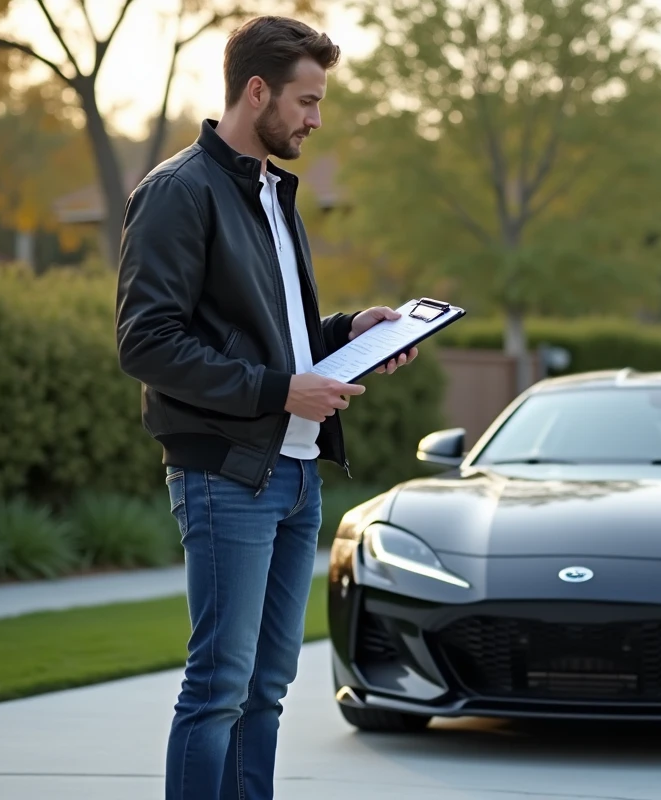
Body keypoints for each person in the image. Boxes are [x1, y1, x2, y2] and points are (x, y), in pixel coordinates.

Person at [114, 16, 415, 800]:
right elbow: (147, 343)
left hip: (297, 474)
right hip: (227, 477)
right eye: (307, 101)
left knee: (266, 691)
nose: (316, 120)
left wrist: (349, 332)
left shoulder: (273, 196)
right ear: (257, 92)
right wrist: (281, 391)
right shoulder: (178, 193)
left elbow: (266, 337)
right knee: (219, 687)